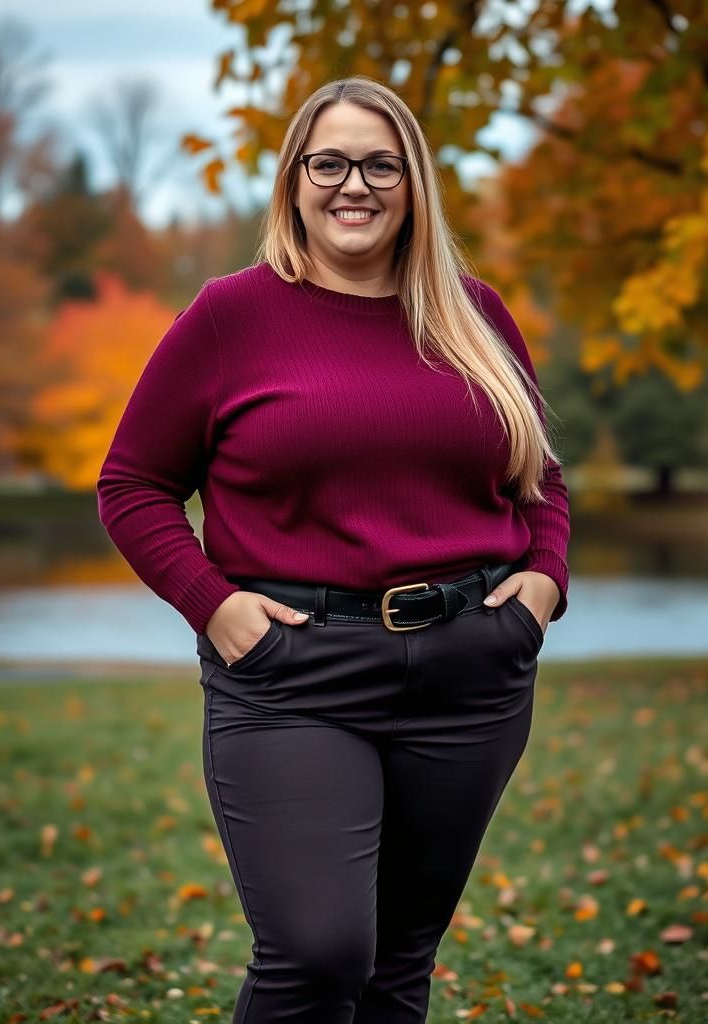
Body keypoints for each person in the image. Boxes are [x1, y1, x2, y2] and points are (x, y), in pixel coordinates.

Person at [97, 74, 570, 1024]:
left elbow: (541, 479)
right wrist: (217, 607)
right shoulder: (232, 315)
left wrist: (541, 590)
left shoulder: (473, 313)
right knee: (319, 955)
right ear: (295, 181)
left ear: (414, 184)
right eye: (330, 162)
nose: (354, 184)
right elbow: (132, 486)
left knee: (398, 967)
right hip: (293, 671)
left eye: (380, 164)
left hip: (470, 672)